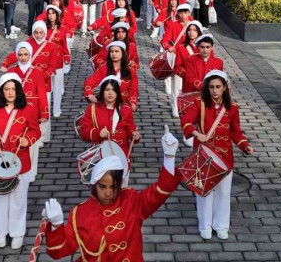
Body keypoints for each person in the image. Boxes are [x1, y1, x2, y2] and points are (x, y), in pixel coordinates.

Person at [43, 127, 180, 261]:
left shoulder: (131, 201)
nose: (108, 193)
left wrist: (169, 156)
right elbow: (58, 252)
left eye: (114, 187)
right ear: (94, 184)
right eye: (102, 187)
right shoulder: (80, 213)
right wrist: (56, 225)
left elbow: (160, 191)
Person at [181, 70, 254, 239]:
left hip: (225, 156)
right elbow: (185, 121)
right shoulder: (199, 103)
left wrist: (245, 146)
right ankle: (204, 225)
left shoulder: (232, 108)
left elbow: (236, 132)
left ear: (225, 88)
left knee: (223, 192)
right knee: (204, 190)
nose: (215, 90)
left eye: (218, 87)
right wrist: (197, 134)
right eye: (212, 87)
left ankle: (221, 224)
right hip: (204, 154)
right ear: (207, 88)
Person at [0, 73, 40, 249]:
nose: (10, 92)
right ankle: (0, 232)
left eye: (13, 89)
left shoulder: (28, 109)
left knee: (18, 199)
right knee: (0, 198)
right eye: (6, 89)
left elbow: (35, 131)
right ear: (1, 91)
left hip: (20, 161)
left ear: (19, 90)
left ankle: (17, 232)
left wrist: (26, 140)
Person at [79, 76, 140, 160]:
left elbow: (130, 129)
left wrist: (134, 135)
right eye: (107, 90)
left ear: (118, 92)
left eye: (113, 90)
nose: (110, 93)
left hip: (121, 153)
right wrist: (98, 132)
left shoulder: (126, 109)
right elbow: (83, 132)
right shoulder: (93, 108)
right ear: (102, 92)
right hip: (100, 152)